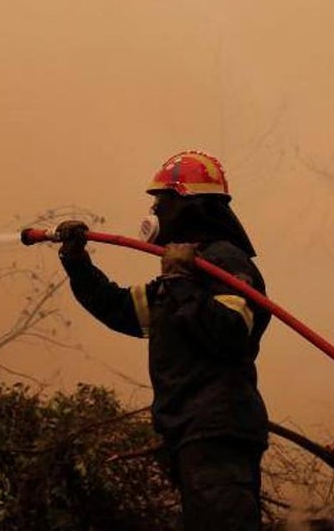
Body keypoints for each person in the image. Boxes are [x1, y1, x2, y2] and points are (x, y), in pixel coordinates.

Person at [56, 150, 270, 531]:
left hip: (218, 430)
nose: (154, 211)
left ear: (189, 205)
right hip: (190, 432)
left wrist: (182, 283)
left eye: (161, 202)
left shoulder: (225, 260)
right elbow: (121, 309)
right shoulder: (182, 275)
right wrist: (77, 263)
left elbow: (232, 332)